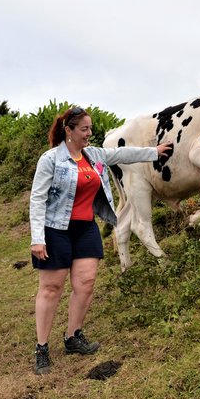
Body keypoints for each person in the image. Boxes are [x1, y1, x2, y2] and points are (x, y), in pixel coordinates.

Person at [29, 106, 173, 375]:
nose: (89, 134)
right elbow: (37, 199)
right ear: (68, 131)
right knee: (51, 289)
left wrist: (153, 152)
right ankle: (42, 348)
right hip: (55, 230)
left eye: (90, 129)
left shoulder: (93, 155)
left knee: (85, 284)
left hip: (86, 229)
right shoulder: (50, 159)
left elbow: (121, 153)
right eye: (84, 129)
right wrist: (38, 239)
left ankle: (73, 337)